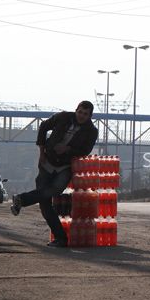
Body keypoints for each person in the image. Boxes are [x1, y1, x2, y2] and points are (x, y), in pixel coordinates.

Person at [11, 101, 98, 247]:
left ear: (90, 116)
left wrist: (67, 149)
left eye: (86, 114)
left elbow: (86, 151)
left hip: (65, 166)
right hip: (47, 161)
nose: (82, 116)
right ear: (76, 110)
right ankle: (61, 239)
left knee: (55, 190)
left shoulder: (91, 131)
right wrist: (41, 151)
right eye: (80, 112)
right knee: (45, 203)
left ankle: (21, 199)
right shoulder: (62, 117)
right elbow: (43, 127)